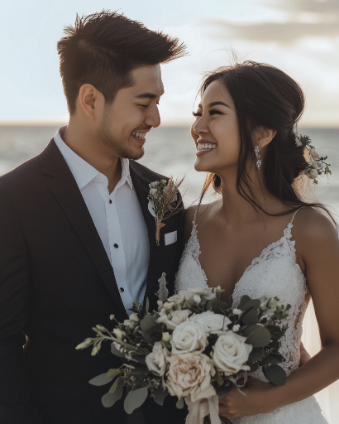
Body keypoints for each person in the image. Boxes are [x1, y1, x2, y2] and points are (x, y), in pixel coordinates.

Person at [0, 11, 187, 424]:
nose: (155, 119)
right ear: (90, 100)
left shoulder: (163, 194)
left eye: (157, 102)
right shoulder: (11, 200)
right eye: (144, 103)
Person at [175, 61, 339, 422]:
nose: (197, 127)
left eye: (214, 113)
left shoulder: (310, 229)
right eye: (197, 113)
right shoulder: (187, 223)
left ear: (262, 132)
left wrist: (264, 401)